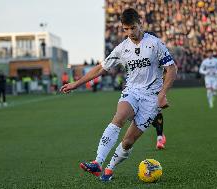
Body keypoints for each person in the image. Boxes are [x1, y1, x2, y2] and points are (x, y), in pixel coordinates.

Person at [60, 8, 177, 182]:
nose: (130, 33)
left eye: (133, 28)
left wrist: (162, 94)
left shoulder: (154, 44)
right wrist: (76, 84)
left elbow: (171, 69)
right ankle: (98, 162)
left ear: (140, 24)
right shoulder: (122, 48)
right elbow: (101, 68)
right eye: (126, 29)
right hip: (132, 91)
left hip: (151, 98)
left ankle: (109, 169)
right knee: (120, 116)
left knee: (128, 141)